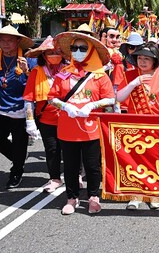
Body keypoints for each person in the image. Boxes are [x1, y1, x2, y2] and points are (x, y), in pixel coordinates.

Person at [48, 31, 115, 215]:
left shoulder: (99, 75)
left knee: (93, 165)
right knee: (70, 165)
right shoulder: (63, 74)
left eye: (82, 48)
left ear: (91, 50)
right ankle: (72, 197)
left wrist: (92, 105)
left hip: (91, 127)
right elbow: (51, 98)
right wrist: (64, 105)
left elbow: (110, 99)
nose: (78, 51)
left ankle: (93, 196)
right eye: (74, 48)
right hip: (67, 128)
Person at [116, 43, 159, 210]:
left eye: (147, 59)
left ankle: (154, 193)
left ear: (154, 60)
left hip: (157, 125)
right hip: (134, 126)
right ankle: (136, 194)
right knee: (135, 160)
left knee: (155, 160)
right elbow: (119, 98)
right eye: (140, 58)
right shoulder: (130, 76)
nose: (142, 62)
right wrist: (134, 83)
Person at [0, 25, 36, 188]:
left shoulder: (28, 59)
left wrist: (27, 71)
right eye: (2, 40)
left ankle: (16, 172)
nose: (6, 43)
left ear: (18, 41)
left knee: (20, 143)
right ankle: (17, 157)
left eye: (10, 40)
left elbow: (37, 83)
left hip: (21, 110)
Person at [23, 36, 66, 193]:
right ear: (43, 55)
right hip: (46, 119)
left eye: (57, 52)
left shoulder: (70, 70)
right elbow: (28, 99)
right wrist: (30, 121)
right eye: (50, 52)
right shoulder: (36, 72)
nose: (54, 55)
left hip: (69, 119)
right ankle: (54, 178)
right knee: (52, 150)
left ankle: (75, 176)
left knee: (71, 150)